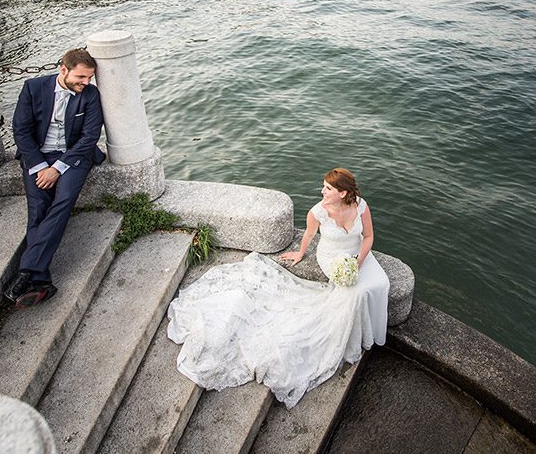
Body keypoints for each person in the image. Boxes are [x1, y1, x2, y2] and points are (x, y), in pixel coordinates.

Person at [167, 168, 390, 408]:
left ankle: (376, 333)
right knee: (354, 294)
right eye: (323, 186)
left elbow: (368, 237)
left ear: (343, 192)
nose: (322, 191)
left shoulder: (361, 206)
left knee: (381, 283)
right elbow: (309, 235)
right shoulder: (318, 212)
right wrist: (300, 253)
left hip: (357, 256)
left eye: (328, 188)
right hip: (333, 260)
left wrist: (358, 262)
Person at [5, 48, 106, 308]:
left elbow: (89, 138)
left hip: (74, 157)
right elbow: (21, 131)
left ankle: (26, 271)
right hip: (38, 157)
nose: (86, 83)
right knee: (37, 206)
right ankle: (40, 280)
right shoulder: (33, 88)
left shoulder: (91, 96)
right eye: (81, 77)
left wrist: (57, 168)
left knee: (63, 200)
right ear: (64, 69)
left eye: (89, 78)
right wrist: (40, 166)